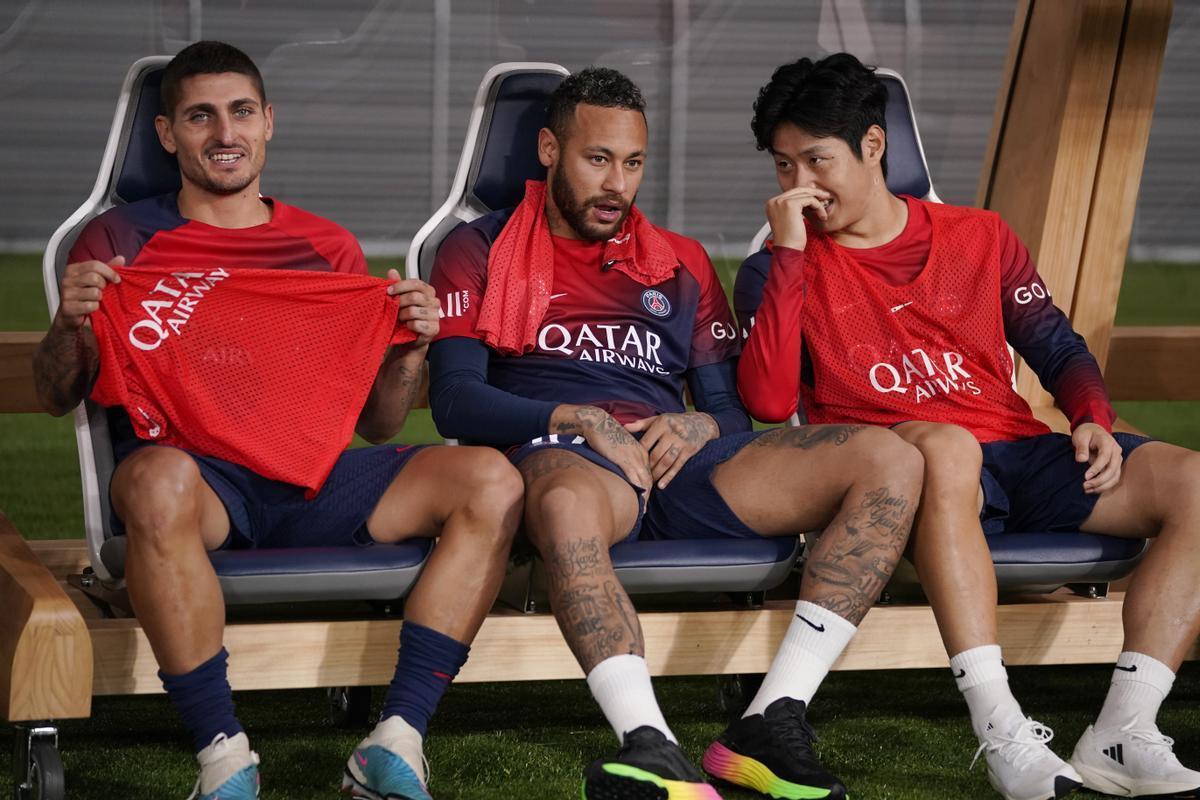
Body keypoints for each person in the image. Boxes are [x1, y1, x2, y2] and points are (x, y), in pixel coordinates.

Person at [32, 41, 522, 800]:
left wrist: (409, 351)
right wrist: (69, 324)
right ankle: (225, 759)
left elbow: (380, 426)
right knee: (156, 479)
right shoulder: (120, 243)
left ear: (268, 123)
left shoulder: (325, 247)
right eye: (199, 116)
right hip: (202, 489)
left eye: (240, 112)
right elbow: (62, 393)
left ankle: (396, 741)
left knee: (489, 477)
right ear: (168, 135)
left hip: (318, 479)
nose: (223, 132)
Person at [427, 66, 923, 800]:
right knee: (566, 501)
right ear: (547, 150)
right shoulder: (479, 247)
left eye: (632, 164)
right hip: (566, 460)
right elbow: (456, 400)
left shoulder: (679, 260)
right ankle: (649, 743)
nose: (616, 185)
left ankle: (770, 719)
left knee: (889, 457)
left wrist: (695, 422)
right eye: (598, 160)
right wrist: (575, 419)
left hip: (676, 465)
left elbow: (728, 410)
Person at [736, 52, 1200, 800]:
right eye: (784, 167)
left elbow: (1054, 341)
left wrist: (1091, 416)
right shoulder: (779, 265)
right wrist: (787, 257)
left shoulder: (980, 236)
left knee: (1196, 483)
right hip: (906, 469)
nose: (801, 187)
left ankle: (1124, 730)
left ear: (874, 145)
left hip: (1015, 452)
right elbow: (765, 397)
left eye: (817, 161)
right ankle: (1001, 728)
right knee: (946, 448)